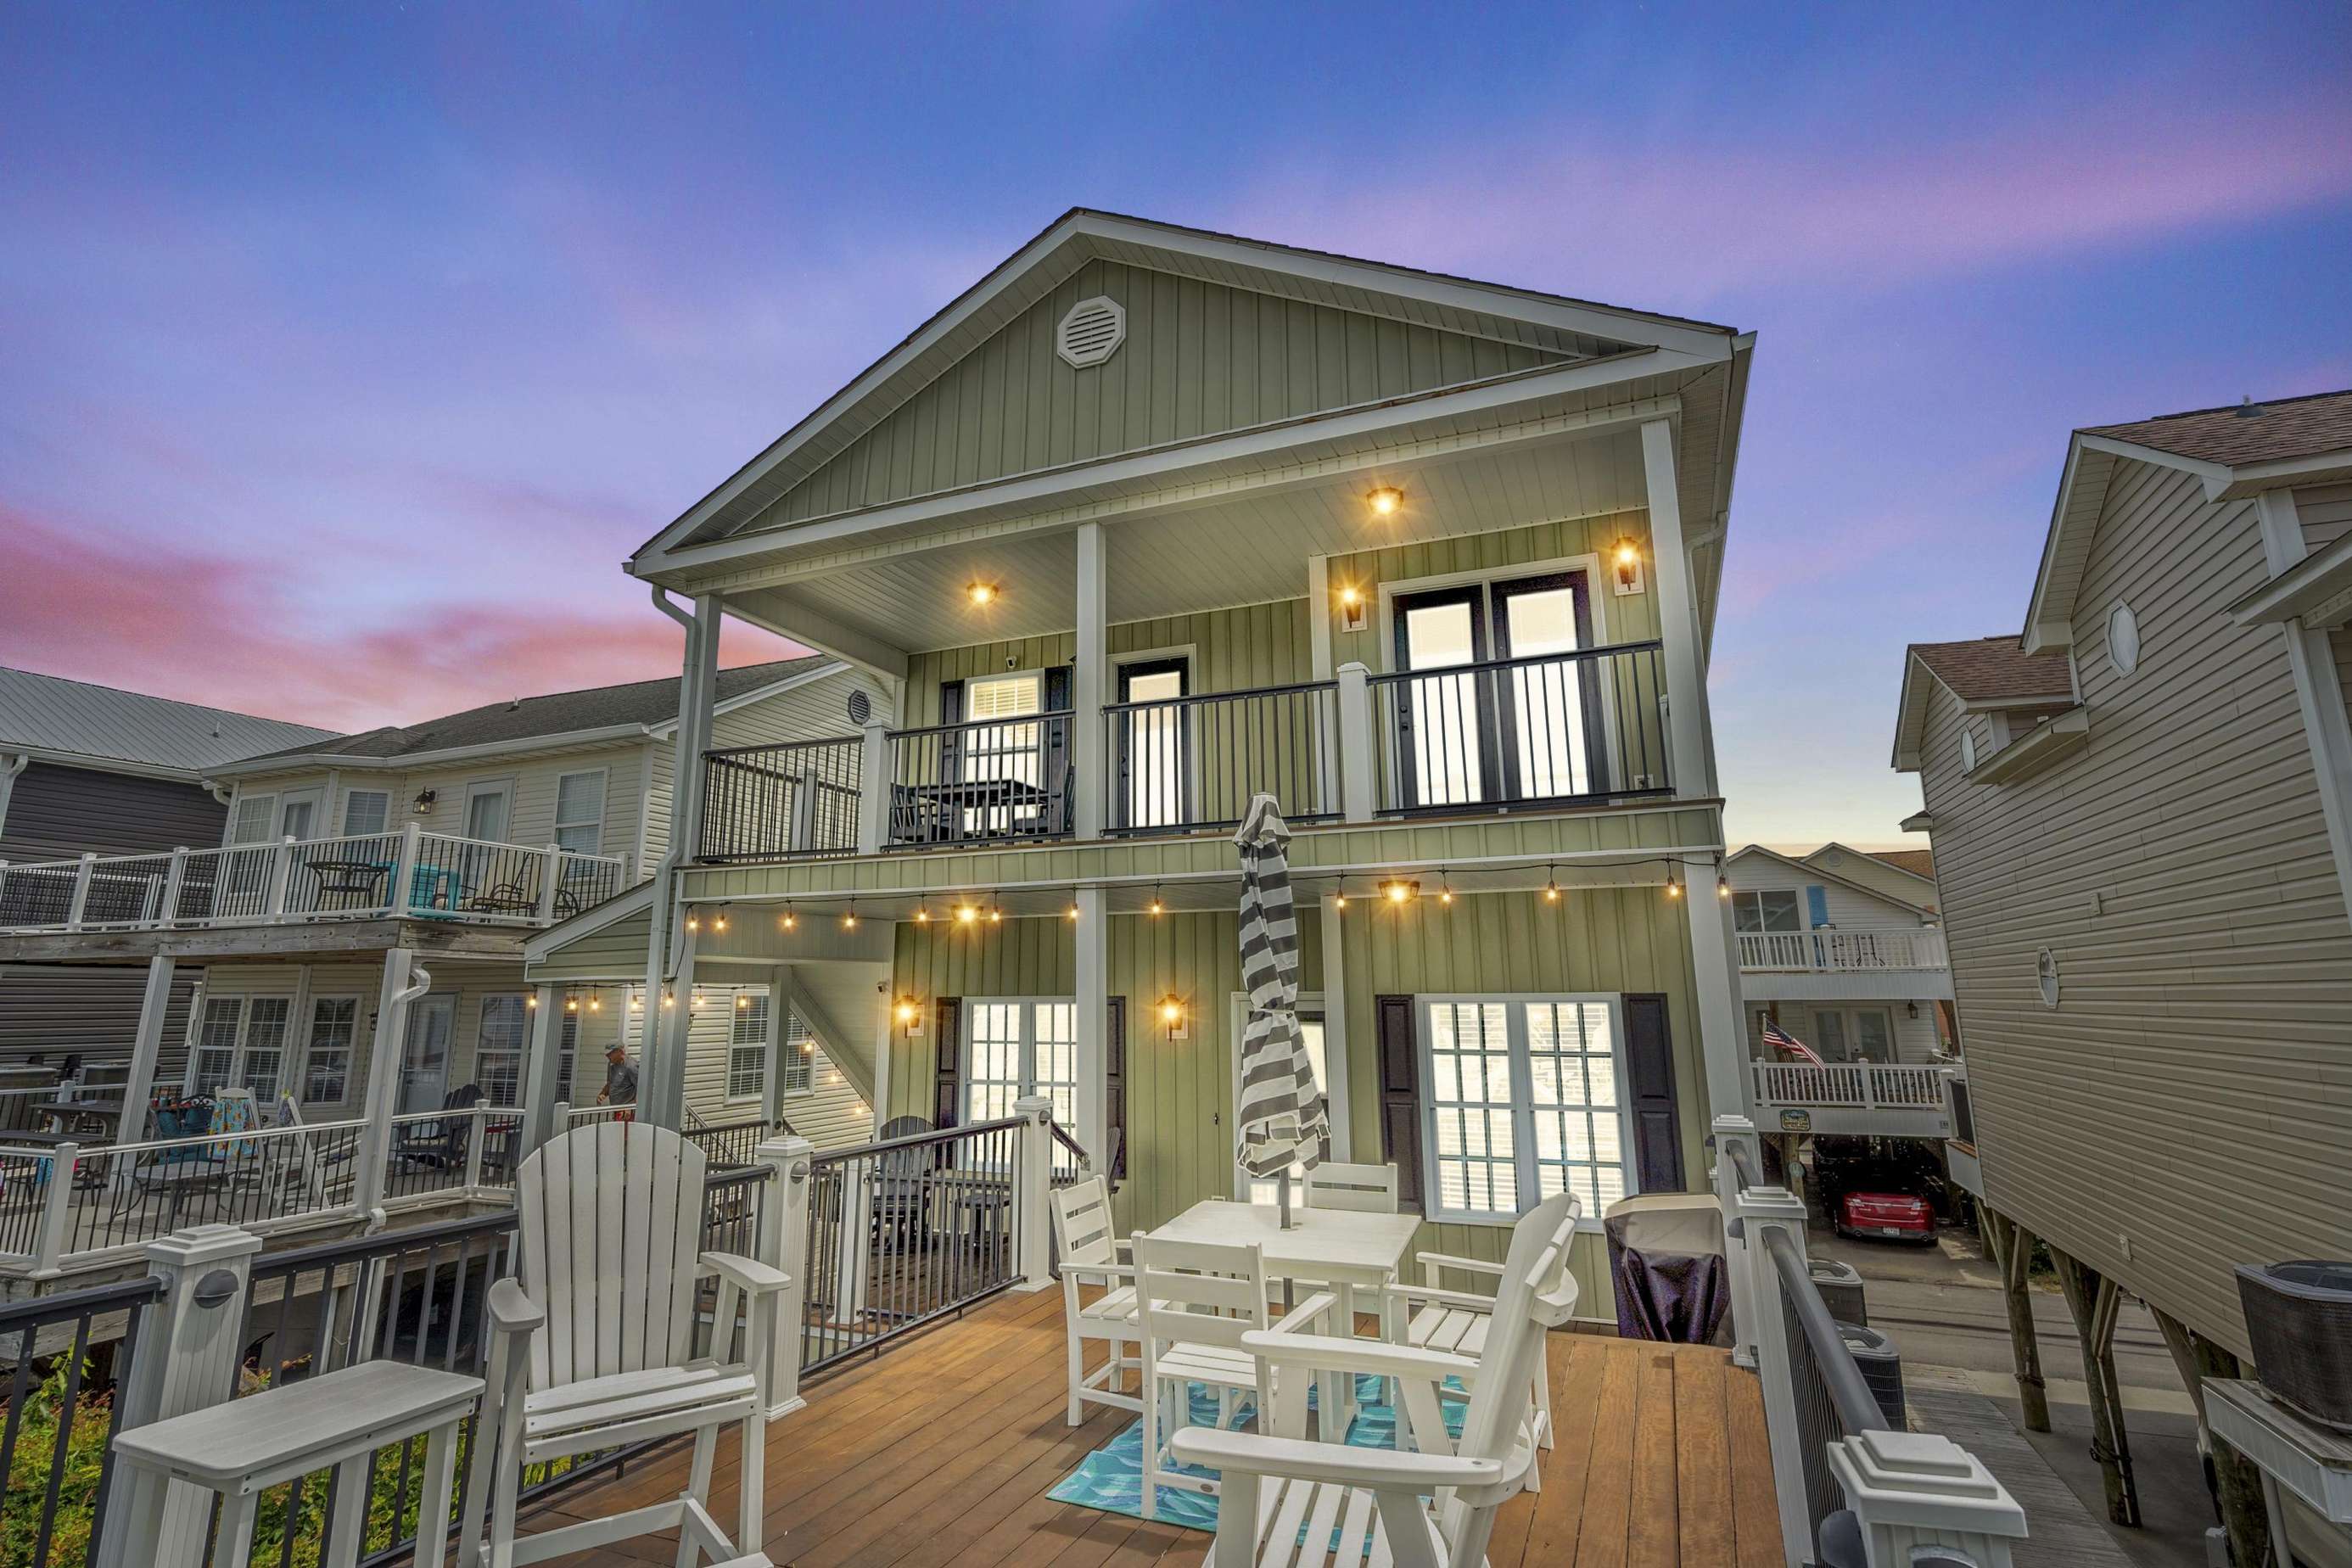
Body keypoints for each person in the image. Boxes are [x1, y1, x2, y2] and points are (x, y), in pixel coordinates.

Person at [596, 1044, 638, 1123]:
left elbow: (641, 1089)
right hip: (617, 1110)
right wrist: (603, 1093)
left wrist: (630, 1107)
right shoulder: (611, 1065)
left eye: (610, 1053)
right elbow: (610, 1082)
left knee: (624, 1132)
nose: (607, 1056)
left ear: (619, 1051)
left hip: (627, 1113)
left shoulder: (631, 1066)